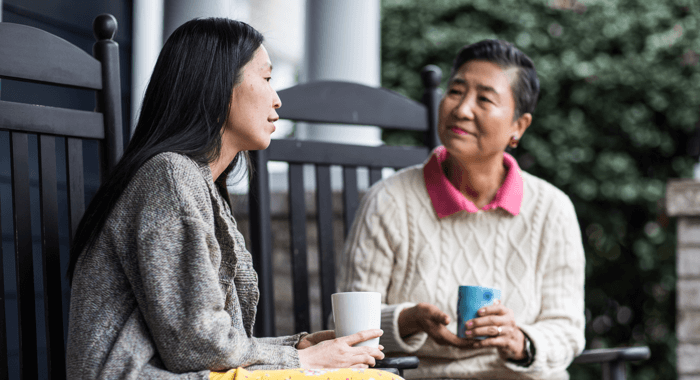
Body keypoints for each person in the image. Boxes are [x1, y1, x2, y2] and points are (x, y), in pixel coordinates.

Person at [66, 18, 391, 380]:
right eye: (266, 79)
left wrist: (293, 348)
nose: (277, 99)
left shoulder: (195, 182)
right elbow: (197, 346)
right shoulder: (170, 177)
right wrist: (302, 362)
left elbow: (205, 341)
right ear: (218, 85)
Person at [338, 39, 585, 380]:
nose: (462, 109)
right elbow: (348, 329)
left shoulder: (552, 210)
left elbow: (567, 329)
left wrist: (520, 340)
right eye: (455, 91)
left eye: (484, 99)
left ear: (519, 126)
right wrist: (408, 320)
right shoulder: (388, 201)